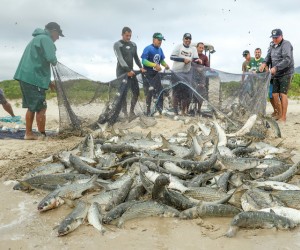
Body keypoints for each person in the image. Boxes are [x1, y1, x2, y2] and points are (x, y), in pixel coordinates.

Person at [14, 22, 64, 140]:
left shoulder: (38, 38)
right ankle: (40, 135)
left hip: (26, 77)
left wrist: (48, 81)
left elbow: (38, 62)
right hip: (33, 78)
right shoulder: (46, 39)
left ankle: (29, 133)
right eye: (58, 35)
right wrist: (55, 60)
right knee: (41, 107)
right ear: (53, 31)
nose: (58, 38)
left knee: (32, 106)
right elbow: (51, 58)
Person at [259, 29, 294, 122]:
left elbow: (287, 59)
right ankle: (279, 113)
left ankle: (283, 116)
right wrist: (264, 63)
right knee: (274, 95)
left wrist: (276, 68)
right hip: (275, 74)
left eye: (276, 37)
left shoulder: (286, 44)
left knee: (282, 94)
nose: (274, 39)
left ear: (281, 36)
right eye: (273, 37)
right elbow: (268, 56)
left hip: (286, 73)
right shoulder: (272, 45)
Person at [113, 27, 146, 121]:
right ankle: (125, 113)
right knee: (123, 93)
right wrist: (127, 70)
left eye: (130, 36)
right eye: (127, 35)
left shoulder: (133, 45)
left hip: (131, 71)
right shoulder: (117, 45)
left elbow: (136, 57)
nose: (128, 37)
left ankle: (131, 111)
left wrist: (141, 67)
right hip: (122, 72)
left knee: (136, 92)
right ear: (122, 34)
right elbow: (120, 59)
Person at [141, 32, 170, 116]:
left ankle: (159, 109)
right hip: (147, 73)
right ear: (154, 39)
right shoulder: (148, 48)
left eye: (161, 40)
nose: (160, 42)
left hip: (156, 74)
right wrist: (154, 65)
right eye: (159, 40)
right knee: (149, 92)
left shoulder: (160, 50)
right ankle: (148, 110)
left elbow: (161, 60)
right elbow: (144, 61)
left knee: (160, 90)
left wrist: (165, 65)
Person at [170, 33, 199, 115]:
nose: (188, 40)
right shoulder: (178, 46)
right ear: (183, 39)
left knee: (186, 93)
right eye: (186, 39)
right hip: (176, 72)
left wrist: (198, 61)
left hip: (186, 73)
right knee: (176, 92)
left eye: (189, 39)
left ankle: (183, 111)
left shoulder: (193, 49)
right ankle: (176, 111)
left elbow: (195, 58)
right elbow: (172, 57)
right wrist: (183, 60)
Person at [195, 42, 210, 113]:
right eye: (200, 47)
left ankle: (199, 109)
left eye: (202, 48)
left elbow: (208, 67)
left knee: (201, 91)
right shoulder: (193, 55)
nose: (201, 49)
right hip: (192, 75)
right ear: (196, 48)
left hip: (201, 76)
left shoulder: (205, 57)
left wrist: (202, 68)